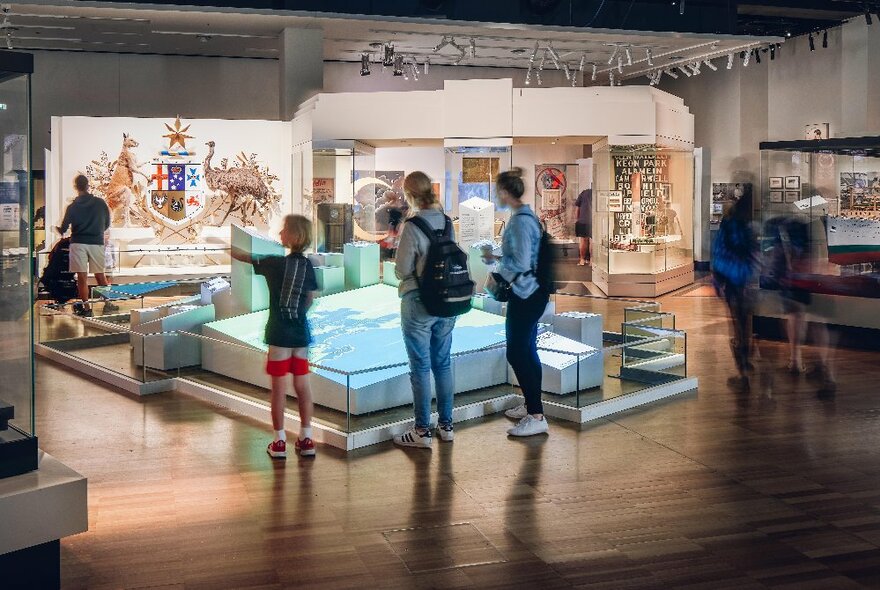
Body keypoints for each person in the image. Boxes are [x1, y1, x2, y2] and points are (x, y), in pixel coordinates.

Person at [231, 215, 318, 459]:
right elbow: (309, 299)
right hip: (300, 334)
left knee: (279, 388)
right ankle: (306, 437)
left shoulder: (274, 263)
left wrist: (223, 246)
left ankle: (279, 441)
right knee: (302, 385)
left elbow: (244, 257)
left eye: (283, 230)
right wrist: (297, 316)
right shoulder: (308, 266)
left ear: (291, 236)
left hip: (278, 333)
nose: (280, 234)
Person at [393, 171, 456, 449]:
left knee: (420, 367)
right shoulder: (446, 221)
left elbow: (401, 269)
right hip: (447, 301)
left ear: (409, 194)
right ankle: (446, 425)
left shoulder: (412, 225)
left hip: (418, 303)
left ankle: (422, 430)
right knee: (443, 363)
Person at [487, 168, 550, 437]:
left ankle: (536, 414)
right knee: (527, 350)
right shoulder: (525, 217)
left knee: (517, 352)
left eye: (496, 190)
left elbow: (522, 262)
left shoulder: (520, 221)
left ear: (504, 192)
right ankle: (532, 406)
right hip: (531, 292)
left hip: (526, 294)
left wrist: (497, 265)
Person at [712, 191, 758, 391]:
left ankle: (742, 373)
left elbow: (719, 252)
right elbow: (754, 251)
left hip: (732, 280)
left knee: (737, 325)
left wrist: (718, 280)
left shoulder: (728, 226)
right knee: (745, 323)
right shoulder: (748, 227)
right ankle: (745, 363)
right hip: (746, 279)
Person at [56, 174, 112, 317]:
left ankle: (87, 308)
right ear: (88, 185)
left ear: (75, 187)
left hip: (78, 243)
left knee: (82, 277)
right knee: (100, 275)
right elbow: (107, 223)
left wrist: (58, 230)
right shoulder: (100, 203)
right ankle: (108, 303)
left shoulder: (72, 206)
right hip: (96, 242)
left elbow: (63, 228)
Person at [574, 188, 592, 266]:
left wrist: (577, 219)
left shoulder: (584, 193)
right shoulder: (597, 192)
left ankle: (582, 260)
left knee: (583, 241)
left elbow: (577, 208)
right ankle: (592, 261)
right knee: (592, 241)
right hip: (594, 221)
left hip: (583, 220)